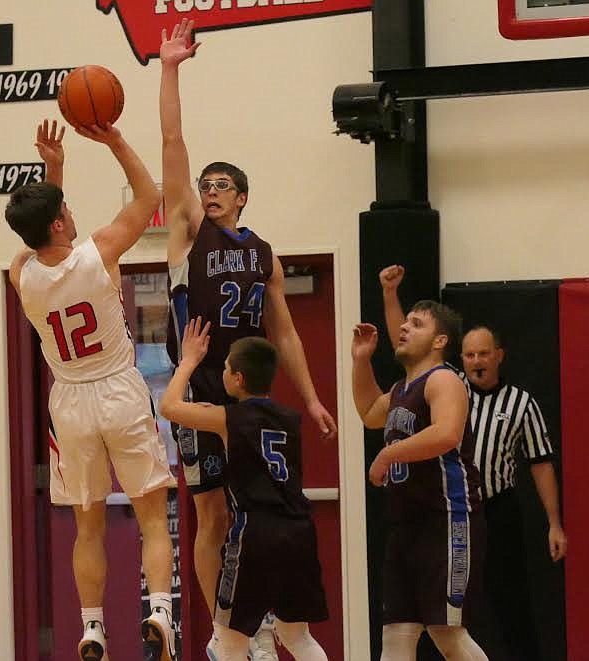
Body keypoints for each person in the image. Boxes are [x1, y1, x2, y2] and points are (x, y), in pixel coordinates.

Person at [158, 19, 337, 659]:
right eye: (203, 186)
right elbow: (173, 141)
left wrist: (312, 397)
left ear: (241, 198)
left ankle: (256, 621)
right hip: (203, 386)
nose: (207, 192)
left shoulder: (265, 254)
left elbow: (284, 329)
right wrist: (170, 68)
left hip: (246, 392)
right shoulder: (186, 235)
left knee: (257, 514)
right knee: (211, 516)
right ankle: (223, 630)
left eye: (220, 186)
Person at [5, 120, 177, 661]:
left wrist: (54, 170)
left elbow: (43, 237)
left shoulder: (19, 272)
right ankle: (160, 610)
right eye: (66, 212)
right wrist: (115, 140)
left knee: (88, 523)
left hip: (70, 402)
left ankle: (93, 627)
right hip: (119, 390)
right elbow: (151, 196)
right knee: (151, 513)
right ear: (60, 222)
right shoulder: (99, 250)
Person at [380, 265, 567, 660]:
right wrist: (390, 298)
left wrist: (553, 521)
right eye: (470, 354)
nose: (476, 360)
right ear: (459, 355)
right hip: (423, 513)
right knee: (409, 631)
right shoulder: (445, 380)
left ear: (499, 356)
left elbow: (540, 462)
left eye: (483, 353)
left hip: (480, 509)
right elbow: (410, 350)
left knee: (478, 619)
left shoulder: (509, 399)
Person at [160, 318, 330, 661]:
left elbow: (169, 407)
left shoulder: (229, 418)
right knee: (298, 637)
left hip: (255, 533)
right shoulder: (291, 419)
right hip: (299, 531)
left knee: (228, 641)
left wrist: (189, 360)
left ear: (237, 379)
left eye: (225, 367)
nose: (221, 372)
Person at [352, 301, 488, 661]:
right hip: (406, 526)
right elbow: (368, 413)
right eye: (405, 322)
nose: (404, 328)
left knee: (448, 633)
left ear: (440, 339)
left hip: (445, 520)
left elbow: (446, 433)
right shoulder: (400, 390)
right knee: (396, 635)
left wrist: (387, 454)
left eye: (417, 324)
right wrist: (361, 361)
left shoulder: (443, 379)